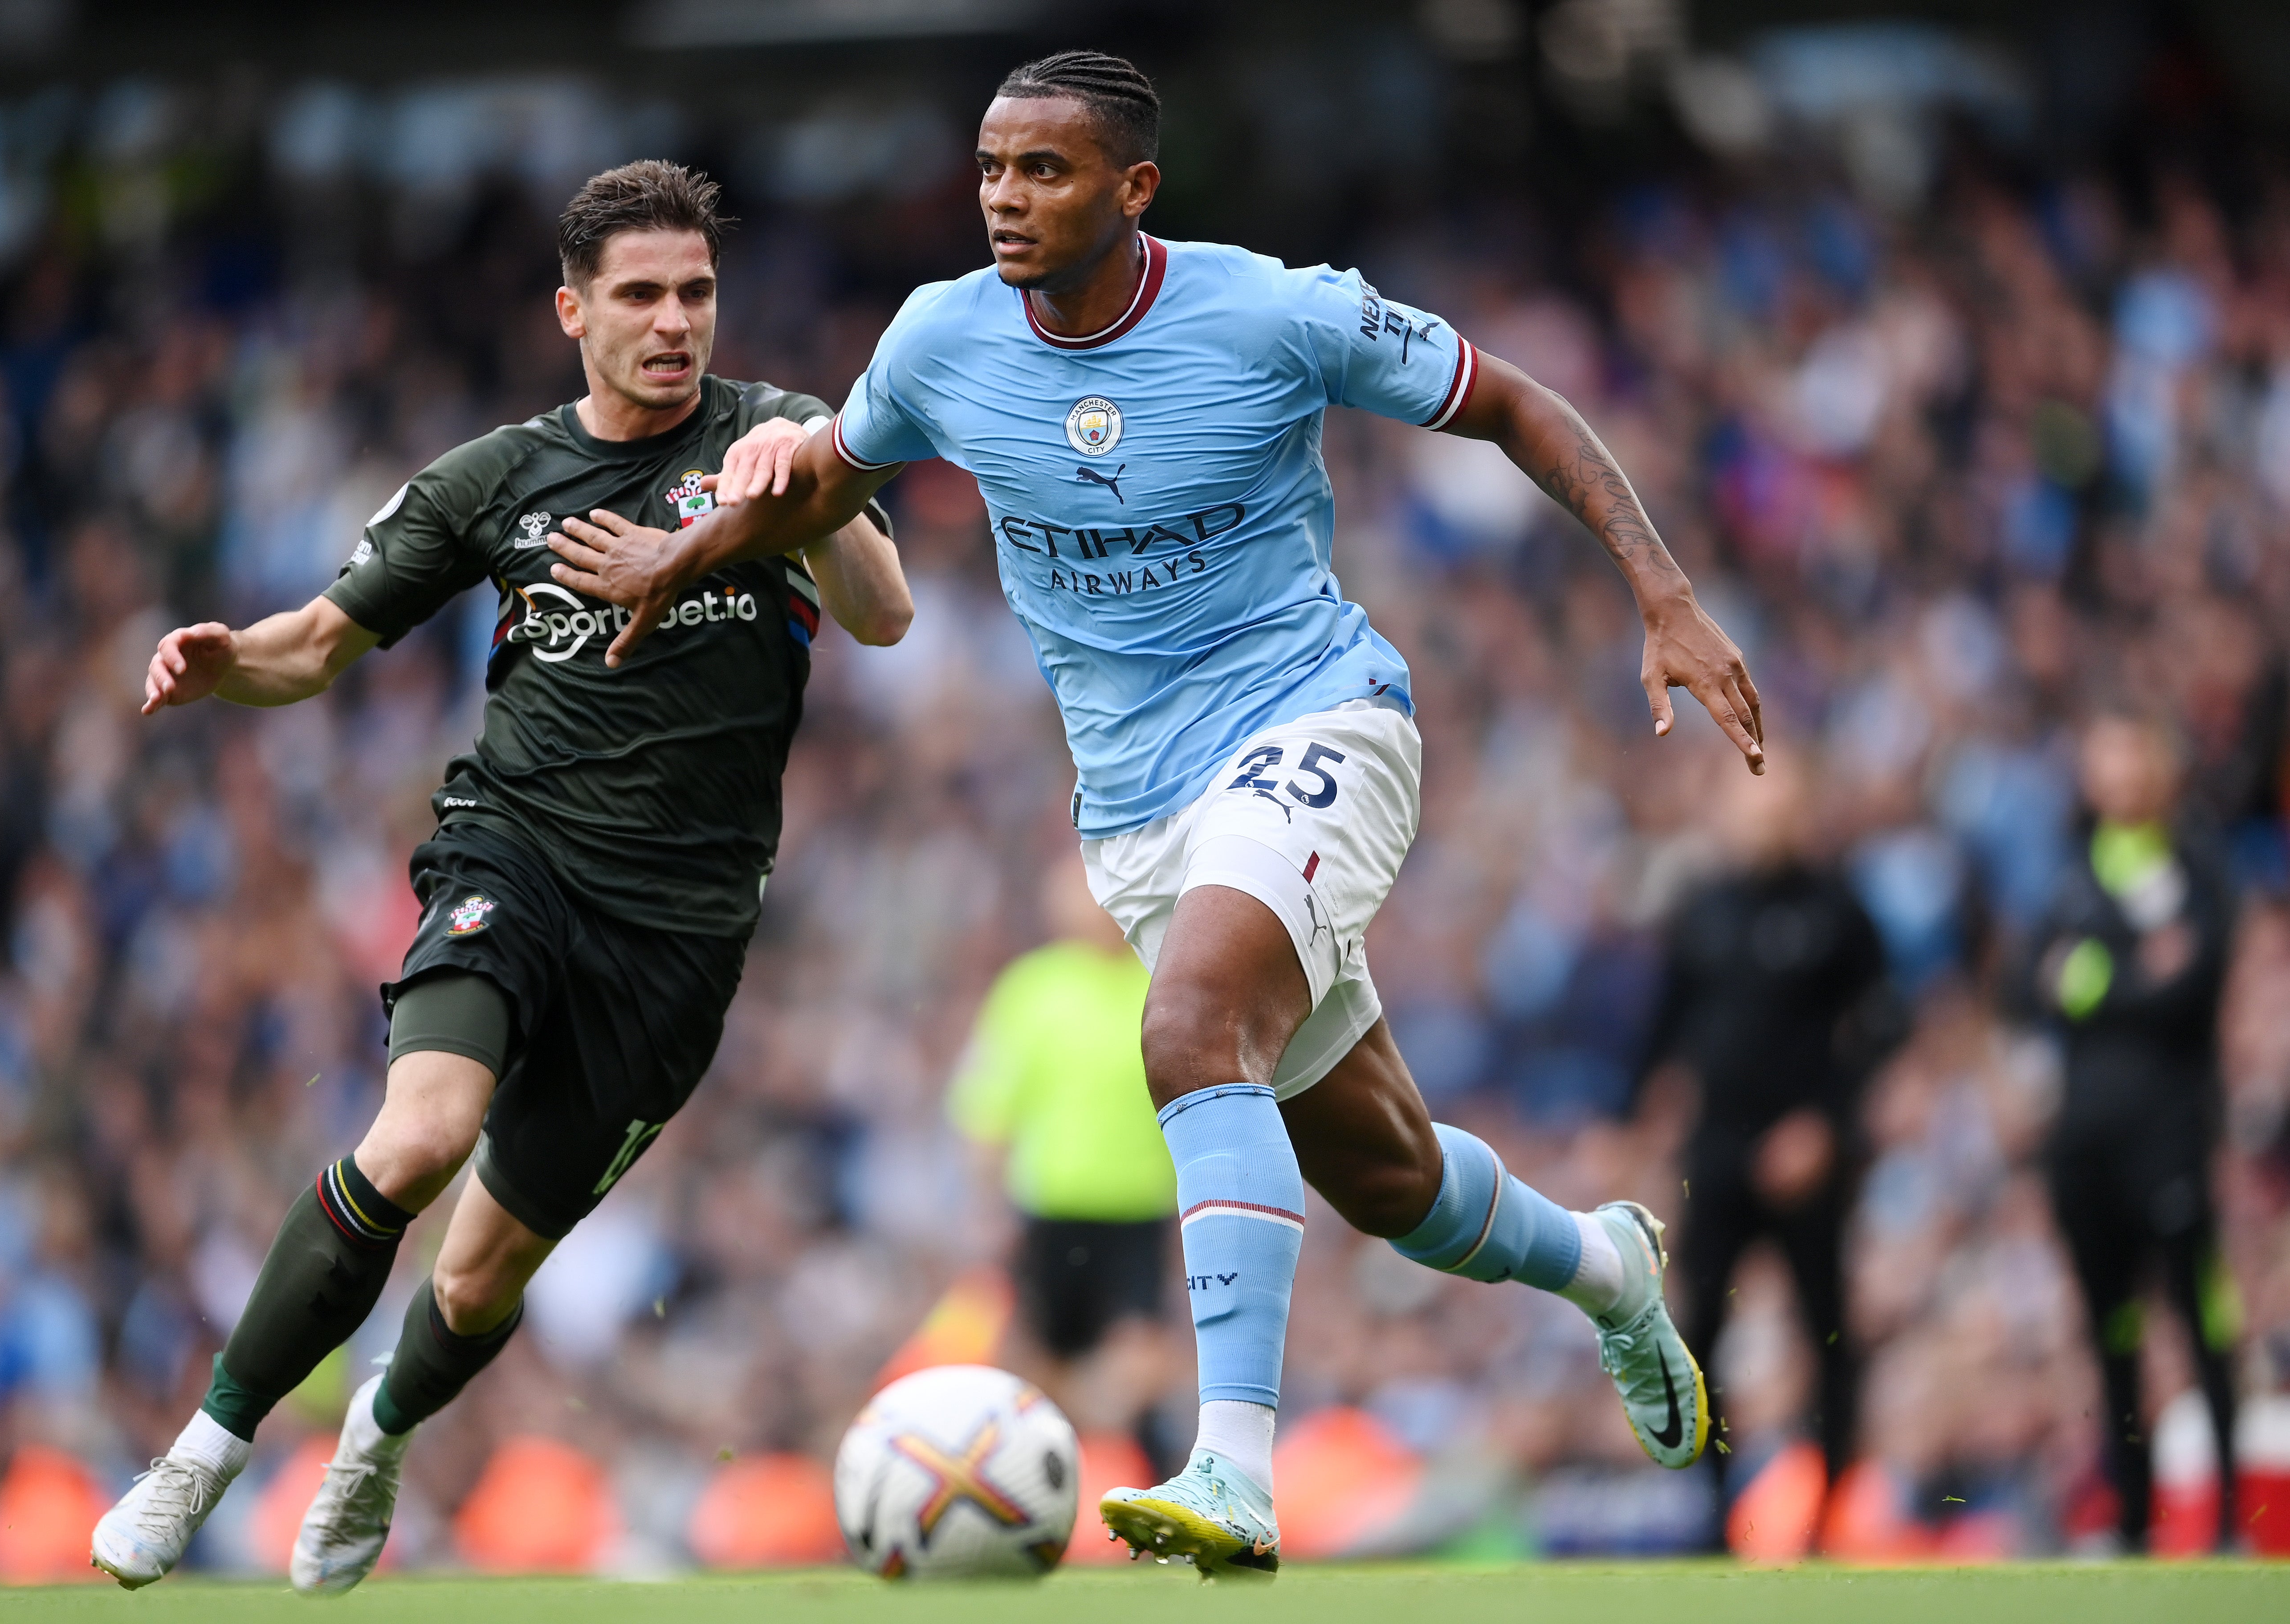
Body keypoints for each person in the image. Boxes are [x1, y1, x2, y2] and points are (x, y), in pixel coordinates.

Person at [546, 53, 1765, 1573]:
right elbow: (829, 483)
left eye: (1045, 172)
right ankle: (1609, 1268)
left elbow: (1509, 400)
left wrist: (1663, 591)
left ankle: (1231, 1471)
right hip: (1137, 809)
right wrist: (687, 555)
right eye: (992, 168)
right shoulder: (941, 337)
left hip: (1319, 720)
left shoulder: (1271, 311)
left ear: (1135, 189)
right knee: (1387, 1176)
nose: (1005, 197)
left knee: (1189, 1029)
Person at [88, 160, 914, 1593]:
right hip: (511, 855)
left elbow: (885, 617)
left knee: (475, 1280)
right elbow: (315, 645)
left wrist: (813, 500)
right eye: (641, 296)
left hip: (681, 937)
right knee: (416, 1138)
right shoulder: (493, 479)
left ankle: (379, 1433)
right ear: (571, 312)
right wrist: (227, 667)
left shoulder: (784, 433)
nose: (675, 323)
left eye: (697, 294)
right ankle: (200, 1459)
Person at [1635, 757, 1899, 1517]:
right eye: (1752, 804)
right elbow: (1666, 1025)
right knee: (1700, 1326)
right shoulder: (1703, 908)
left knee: (1824, 1326)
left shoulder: (1836, 908)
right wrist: (1635, 1113)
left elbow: (1881, 1024)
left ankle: (1833, 1500)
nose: (1767, 819)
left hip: (1805, 1155)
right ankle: (1712, 1505)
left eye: (1783, 803)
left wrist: (1827, 1124)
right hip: (1717, 1151)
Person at [2031, 710, 2241, 1551]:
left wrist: (2089, 979)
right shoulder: (2073, 873)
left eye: (2128, 753)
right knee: (2111, 1329)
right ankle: (2130, 1516)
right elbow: (2029, 981)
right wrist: (2126, 975)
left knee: (2199, 1318)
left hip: (2173, 1136)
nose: (2114, 774)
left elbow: (2189, 984)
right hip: (2084, 1147)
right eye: (2101, 758)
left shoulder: (2197, 867)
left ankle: (2232, 1517)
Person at [949, 848, 1176, 1442]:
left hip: (1137, 1209)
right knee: (1040, 1360)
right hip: (1050, 1208)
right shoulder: (1031, 990)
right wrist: (988, 1206)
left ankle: (1120, 1449)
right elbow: (988, 1107)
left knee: (1139, 1356)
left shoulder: (1161, 983)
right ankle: (1062, 1455)